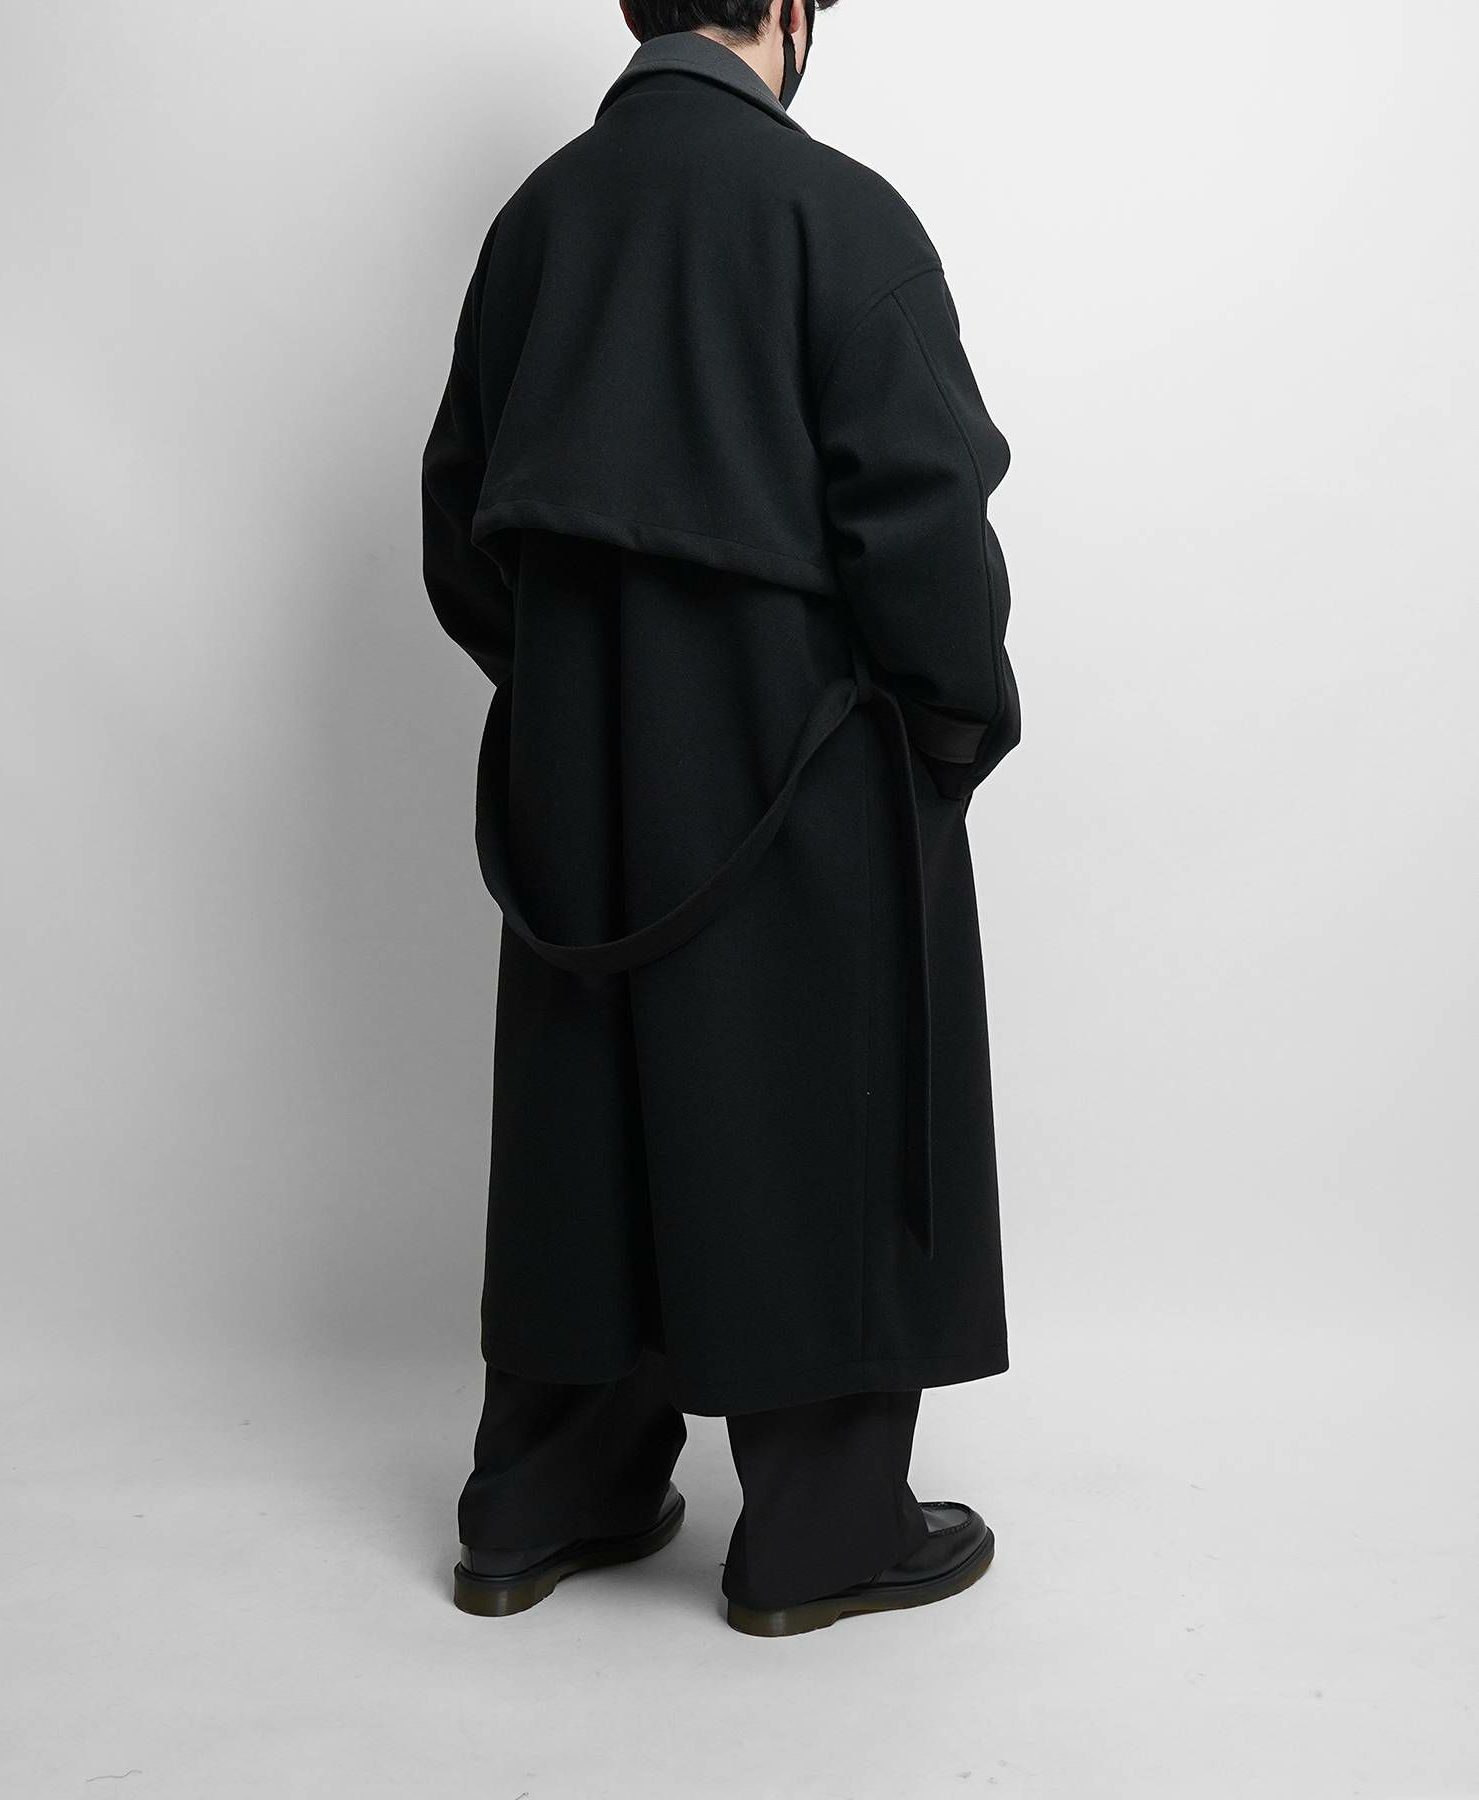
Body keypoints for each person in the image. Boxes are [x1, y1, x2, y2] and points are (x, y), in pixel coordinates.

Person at [420, 0, 1021, 1638]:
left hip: (576, 791)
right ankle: (819, 1538)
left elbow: (461, 520)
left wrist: (580, 704)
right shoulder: (839, 215)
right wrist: (952, 725)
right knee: (814, 1109)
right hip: (799, 777)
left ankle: (541, 1503)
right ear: (792, 10)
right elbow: (924, 526)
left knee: (587, 1115)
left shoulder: (538, 223)